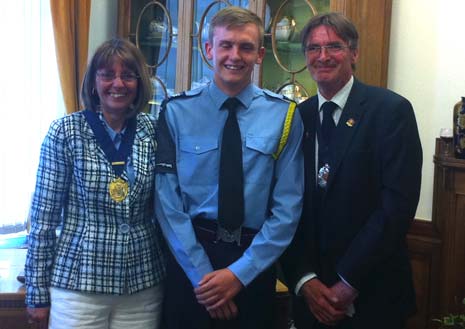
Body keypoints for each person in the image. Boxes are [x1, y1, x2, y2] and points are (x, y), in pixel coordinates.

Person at [154, 6, 304, 329]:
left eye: (246, 47)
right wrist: (203, 277)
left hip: (254, 265)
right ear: (209, 50)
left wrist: (239, 275)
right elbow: (168, 205)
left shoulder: (285, 117)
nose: (235, 55)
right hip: (190, 263)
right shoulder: (175, 112)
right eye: (226, 45)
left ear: (260, 54)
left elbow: (287, 210)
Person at [281, 12, 423, 329]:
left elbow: (396, 206)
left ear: (354, 53)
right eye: (314, 49)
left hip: (372, 296)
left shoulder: (391, 111)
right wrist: (304, 279)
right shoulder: (295, 117)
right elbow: (284, 206)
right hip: (311, 298)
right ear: (305, 56)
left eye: (334, 46)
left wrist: (347, 282)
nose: (323, 56)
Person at [25, 38, 166, 329]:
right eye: (107, 75)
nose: (118, 83)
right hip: (79, 286)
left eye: (128, 75)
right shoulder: (65, 132)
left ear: (139, 83)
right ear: (93, 82)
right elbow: (43, 220)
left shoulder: (154, 130)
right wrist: (37, 292)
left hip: (140, 286)